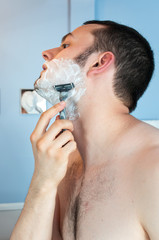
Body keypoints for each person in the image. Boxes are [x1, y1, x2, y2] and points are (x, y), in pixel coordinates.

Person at [11, 20, 159, 240]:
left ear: (100, 63)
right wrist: (42, 181)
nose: (46, 53)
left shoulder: (153, 166)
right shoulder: (62, 162)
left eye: (65, 45)